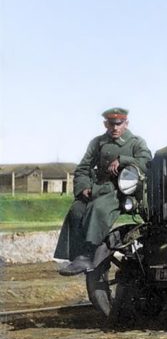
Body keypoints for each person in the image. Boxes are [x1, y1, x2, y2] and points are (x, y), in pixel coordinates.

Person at [55, 108, 152, 276]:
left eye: (119, 124)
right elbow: (83, 168)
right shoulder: (98, 143)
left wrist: (123, 160)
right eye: (111, 124)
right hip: (98, 188)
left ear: (126, 123)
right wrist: (83, 187)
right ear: (105, 124)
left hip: (122, 191)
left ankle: (89, 253)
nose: (115, 128)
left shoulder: (136, 143)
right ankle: (76, 256)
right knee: (76, 210)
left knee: (98, 209)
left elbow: (146, 163)